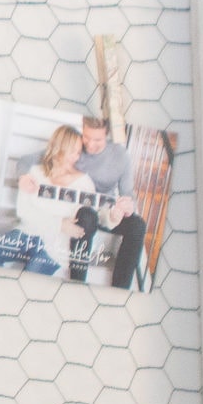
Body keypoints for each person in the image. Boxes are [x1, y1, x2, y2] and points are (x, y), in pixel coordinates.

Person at [0, 126, 95, 276]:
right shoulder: (35, 172)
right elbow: (24, 210)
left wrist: (113, 216)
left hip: (55, 245)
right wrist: (59, 224)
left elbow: (93, 215)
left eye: (79, 152)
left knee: (32, 274)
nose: (76, 157)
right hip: (26, 233)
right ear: (59, 147)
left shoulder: (84, 183)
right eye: (73, 151)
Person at [71, 115, 149, 289]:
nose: (90, 145)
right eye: (86, 137)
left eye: (97, 139)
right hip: (82, 212)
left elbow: (128, 194)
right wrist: (25, 175)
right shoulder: (73, 143)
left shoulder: (120, 155)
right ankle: (76, 284)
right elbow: (31, 160)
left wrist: (128, 207)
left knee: (138, 225)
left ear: (107, 133)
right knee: (86, 215)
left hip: (109, 213)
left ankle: (120, 290)